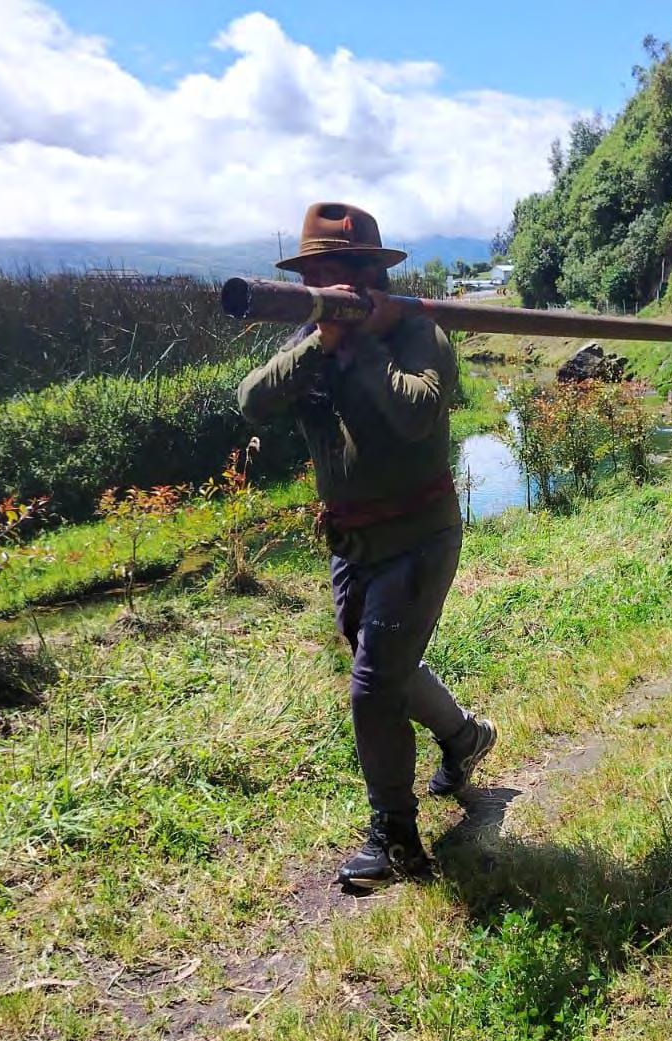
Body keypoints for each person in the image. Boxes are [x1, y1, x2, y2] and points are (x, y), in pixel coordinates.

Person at [237, 203, 497, 890]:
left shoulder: (418, 331)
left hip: (418, 537)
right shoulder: (310, 339)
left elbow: (417, 413)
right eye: (312, 277)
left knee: (373, 686)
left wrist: (368, 347)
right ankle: (465, 737)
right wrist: (322, 344)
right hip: (351, 541)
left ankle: (396, 840)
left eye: (332, 275)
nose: (319, 289)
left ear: (366, 275)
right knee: (382, 667)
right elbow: (252, 400)